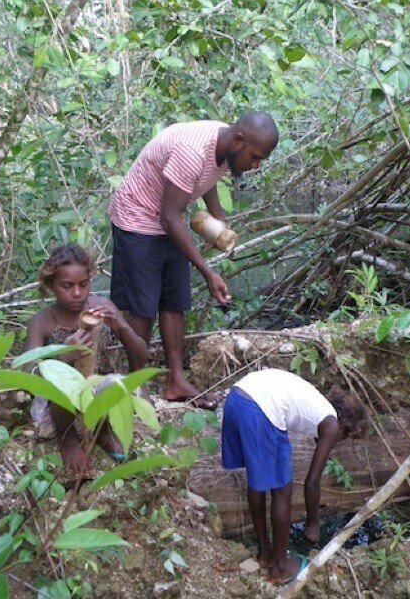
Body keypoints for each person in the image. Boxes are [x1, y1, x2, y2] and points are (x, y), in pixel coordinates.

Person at [108, 112, 279, 409]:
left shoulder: (224, 144)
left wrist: (218, 218)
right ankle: (137, 386)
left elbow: (206, 179)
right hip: (137, 217)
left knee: (174, 300)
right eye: (255, 157)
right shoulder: (192, 150)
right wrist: (207, 271)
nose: (255, 165)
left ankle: (175, 380)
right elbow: (170, 217)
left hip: (166, 219)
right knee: (142, 307)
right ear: (239, 140)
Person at [221, 368, 367, 586]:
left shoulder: (317, 403)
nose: (339, 440)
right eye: (344, 437)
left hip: (236, 400)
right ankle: (280, 568)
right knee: (282, 490)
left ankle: (264, 554)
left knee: (257, 480)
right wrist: (313, 522)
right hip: (261, 410)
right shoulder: (332, 424)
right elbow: (312, 482)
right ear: (344, 425)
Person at [24, 244, 148, 477]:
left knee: (118, 384)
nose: (77, 293)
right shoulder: (42, 321)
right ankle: (67, 438)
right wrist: (62, 358)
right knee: (63, 384)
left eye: (84, 284)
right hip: (57, 408)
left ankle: (102, 430)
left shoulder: (102, 308)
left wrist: (121, 325)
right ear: (51, 285)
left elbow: (142, 355)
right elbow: (27, 374)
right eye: (67, 286)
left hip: (99, 391)